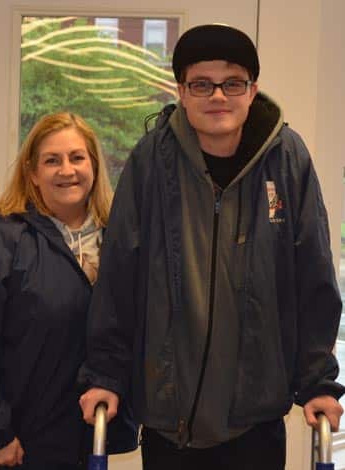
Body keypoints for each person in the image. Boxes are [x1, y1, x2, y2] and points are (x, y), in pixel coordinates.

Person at [78, 24, 345, 469]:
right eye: (202, 84)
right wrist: (105, 373)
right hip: (169, 415)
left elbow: (313, 273)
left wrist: (318, 380)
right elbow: (120, 276)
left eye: (232, 83)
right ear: (181, 90)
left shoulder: (286, 157)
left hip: (256, 415)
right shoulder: (151, 161)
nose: (218, 96)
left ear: (252, 89)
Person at [0, 112, 137, 470]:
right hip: (21, 446)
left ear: (94, 165)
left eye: (77, 157)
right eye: (51, 160)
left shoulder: (121, 241)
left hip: (95, 438)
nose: (67, 170)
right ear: (32, 173)